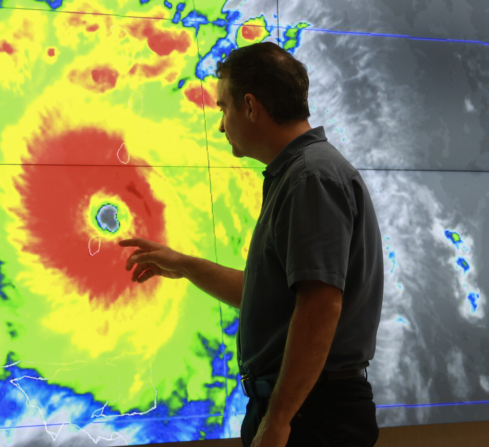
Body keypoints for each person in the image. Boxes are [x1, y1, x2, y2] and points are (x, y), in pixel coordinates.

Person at [119, 42, 384, 447]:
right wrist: (184, 265)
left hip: (311, 416)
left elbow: (319, 305)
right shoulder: (297, 175)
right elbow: (266, 296)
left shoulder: (310, 178)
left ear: (250, 106)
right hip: (303, 409)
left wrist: (278, 421)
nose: (221, 125)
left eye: (223, 108)